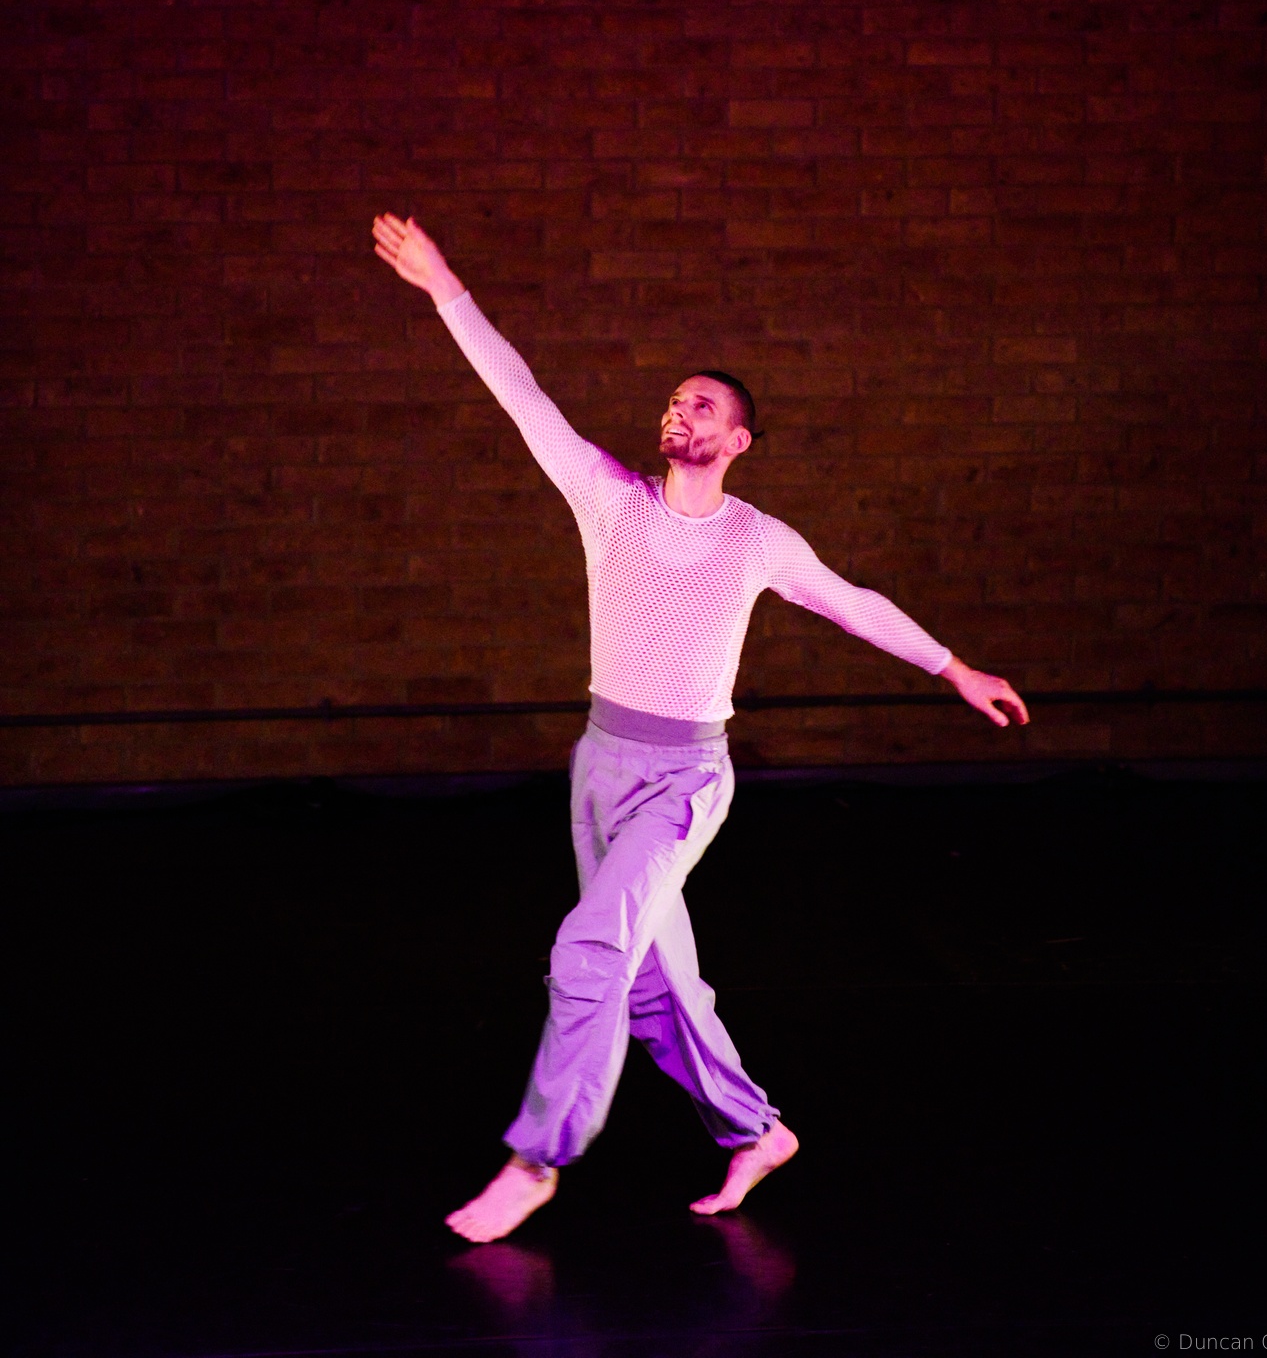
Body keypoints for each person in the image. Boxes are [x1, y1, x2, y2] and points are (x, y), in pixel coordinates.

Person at [372, 212, 1029, 1243]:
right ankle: (756, 1129)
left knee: (590, 947)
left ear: (736, 441)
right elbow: (520, 393)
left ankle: (537, 1158)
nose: (682, 409)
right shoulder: (608, 500)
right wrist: (443, 285)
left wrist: (952, 667)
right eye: (675, 399)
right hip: (601, 767)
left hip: (684, 780)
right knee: (653, 985)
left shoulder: (757, 540)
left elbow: (852, 601)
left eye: (704, 404)